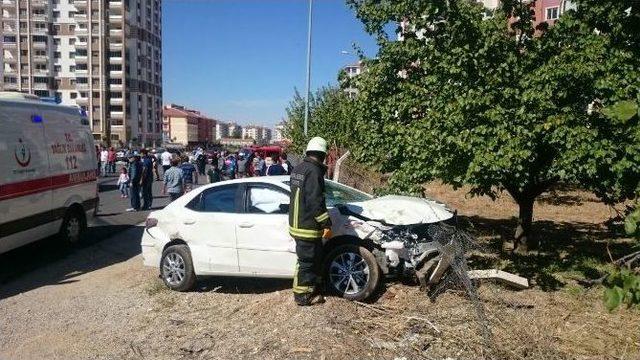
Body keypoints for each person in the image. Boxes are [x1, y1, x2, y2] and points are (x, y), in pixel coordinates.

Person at [288, 137, 332, 306]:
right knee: (307, 261)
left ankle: (314, 287)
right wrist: (326, 222)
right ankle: (303, 296)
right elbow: (315, 201)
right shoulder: (314, 171)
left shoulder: (299, 168)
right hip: (307, 226)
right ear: (323, 154)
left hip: (297, 223)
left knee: (313, 258)